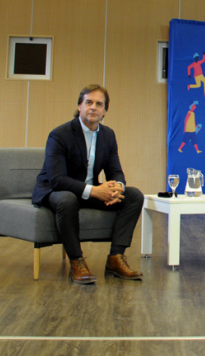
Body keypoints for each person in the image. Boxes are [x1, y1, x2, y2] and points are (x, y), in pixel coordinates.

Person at [32, 85, 144, 284]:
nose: (93, 107)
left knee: (134, 195)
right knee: (67, 199)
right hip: (56, 190)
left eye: (99, 104)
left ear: (105, 111)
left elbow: (115, 170)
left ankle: (115, 259)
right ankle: (77, 262)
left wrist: (117, 186)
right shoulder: (59, 135)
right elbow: (57, 179)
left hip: (89, 192)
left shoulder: (108, 135)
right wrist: (94, 191)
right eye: (89, 102)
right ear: (80, 106)